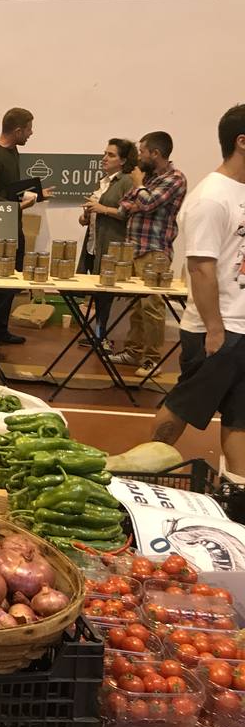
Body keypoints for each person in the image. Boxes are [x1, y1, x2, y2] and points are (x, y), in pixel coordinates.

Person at [149, 105, 245, 473]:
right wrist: (216, 328)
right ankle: (141, 471)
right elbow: (201, 268)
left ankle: (236, 489)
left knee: (239, 417)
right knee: (183, 406)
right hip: (216, 331)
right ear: (241, 141)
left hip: (241, 329)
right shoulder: (211, 197)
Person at [108, 132, 188, 377]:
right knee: (137, 306)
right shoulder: (148, 178)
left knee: (152, 306)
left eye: (142, 151)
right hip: (134, 248)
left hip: (155, 250)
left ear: (156, 153)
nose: (139, 155)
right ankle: (133, 352)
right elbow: (125, 204)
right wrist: (139, 195)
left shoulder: (175, 178)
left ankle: (152, 359)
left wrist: (139, 188)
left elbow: (148, 202)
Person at [0, 108, 51, 346]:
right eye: (28, 129)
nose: (31, 133)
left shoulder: (12, 151)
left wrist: (37, 193)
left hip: (12, 229)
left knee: (10, 284)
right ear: (17, 130)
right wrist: (20, 207)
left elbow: (8, 188)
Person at [79, 139, 137, 343]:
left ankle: (104, 336)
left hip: (112, 244)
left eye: (111, 155)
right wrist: (86, 215)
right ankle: (98, 334)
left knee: (107, 293)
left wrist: (102, 209)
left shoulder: (127, 182)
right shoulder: (104, 181)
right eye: (105, 153)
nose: (104, 158)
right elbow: (95, 213)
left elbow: (129, 213)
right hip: (95, 242)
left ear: (123, 160)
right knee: (97, 292)